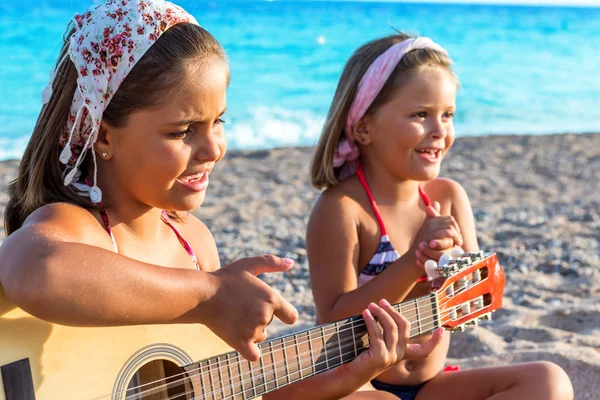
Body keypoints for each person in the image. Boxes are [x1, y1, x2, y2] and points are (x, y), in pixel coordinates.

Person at [0, 1, 442, 398]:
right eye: (181, 131)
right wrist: (210, 294)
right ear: (101, 135)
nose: (213, 149)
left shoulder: (192, 242)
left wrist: (353, 372)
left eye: (219, 122)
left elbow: (233, 386)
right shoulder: (79, 228)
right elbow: (32, 267)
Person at [306, 32, 574, 400]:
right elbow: (334, 323)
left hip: (432, 385)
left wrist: (466, 279)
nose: (440, 131)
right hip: (359, 385)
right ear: (364, 126)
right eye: (420, 115)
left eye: (448, 115)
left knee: (549, 379)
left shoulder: (447, 197)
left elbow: (480, 299)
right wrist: (413, 264)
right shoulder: (343, 209)